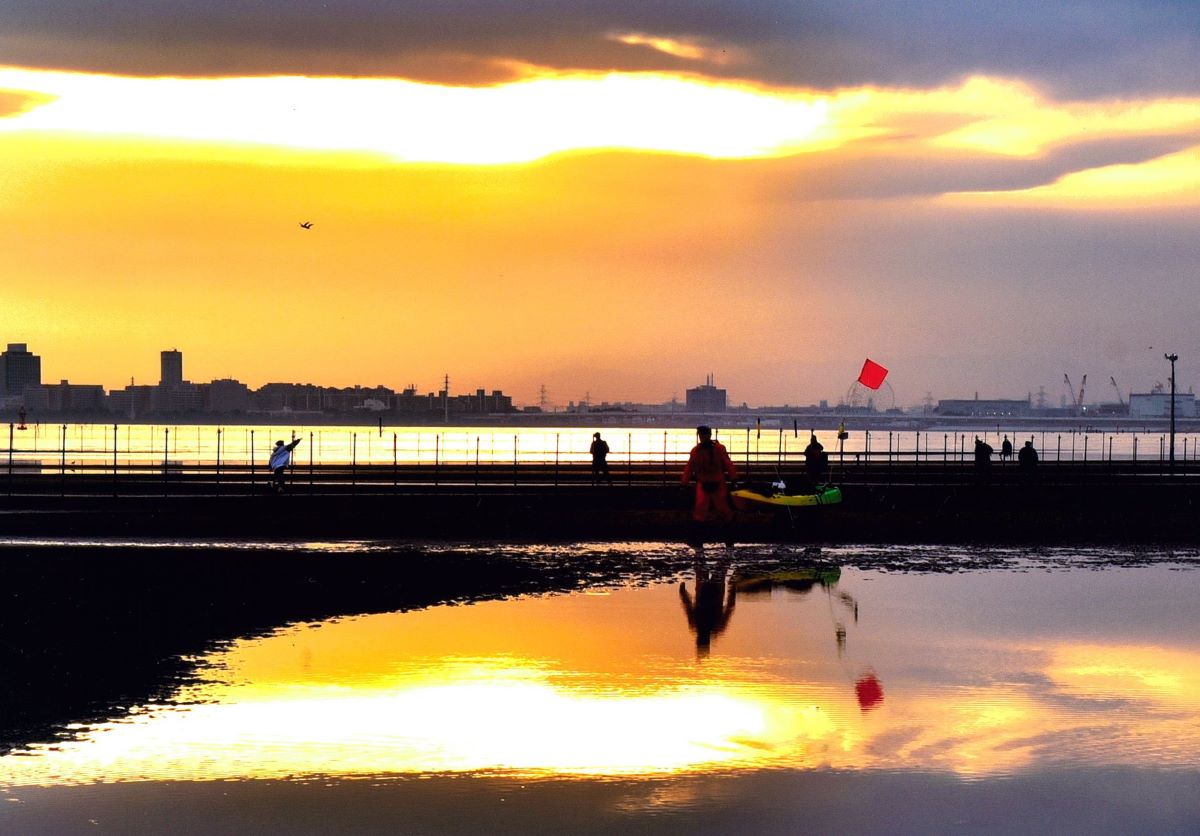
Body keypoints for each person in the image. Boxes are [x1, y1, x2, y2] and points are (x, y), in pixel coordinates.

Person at [682, 425, 738, 523]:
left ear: (709, 435)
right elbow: (689, 467)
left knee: (722, 506)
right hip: (704, 483)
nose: (702, 437)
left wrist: (734, 479)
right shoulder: (696, 451)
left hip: (717, 482)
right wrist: (684, 483)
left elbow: (728, 464)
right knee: (700, 507)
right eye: (700, 435)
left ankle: (730, 522)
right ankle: (698, 527)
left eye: (703, 435)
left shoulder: (718, 449)